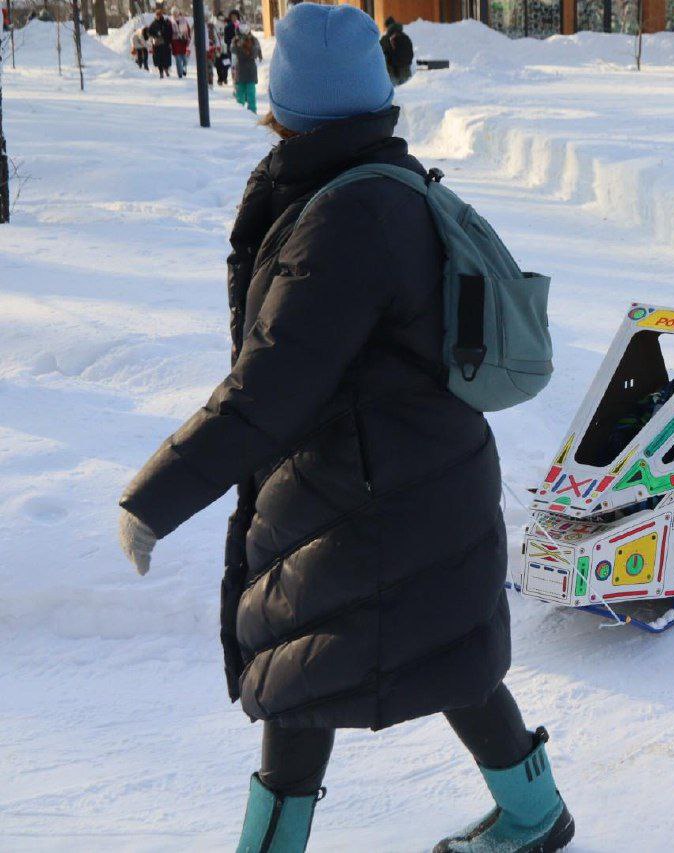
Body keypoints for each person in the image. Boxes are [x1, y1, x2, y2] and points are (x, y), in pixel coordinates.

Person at [115, 4, 575, 852]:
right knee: (442, 652)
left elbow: (268, 388)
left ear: (290, 104)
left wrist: (154, 497)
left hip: (371, 489)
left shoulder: (343, 218)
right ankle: (535, 812)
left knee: (305, 670)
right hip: (410, 476)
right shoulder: (364, 184)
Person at [231, 29, 263, 113]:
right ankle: (240, 111)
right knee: (240, 93)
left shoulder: (254, 40)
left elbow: (255, 53)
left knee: (251, 93)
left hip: (250, 70)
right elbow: (233, 51)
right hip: (240, 69)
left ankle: (252, 111)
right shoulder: (236, 40)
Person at [380, 16, 414, 85]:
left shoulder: (386, 39)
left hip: (393, 74)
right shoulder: (405, 37)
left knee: (396, 94)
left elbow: (379, 53)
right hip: (406, 72)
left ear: (387, 26)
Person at [147, 8, 175, 78]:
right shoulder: (154, 23)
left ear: (161, 15)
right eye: (157, 15)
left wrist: (169, 40)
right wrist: (155, 34)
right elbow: (149, 32)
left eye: (159, 15)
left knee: (166, 58)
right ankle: (161, 72)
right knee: (159, 59)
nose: (158, 16)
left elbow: (170, 32)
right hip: (157, 44)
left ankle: (166, 70)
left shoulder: (166, 22)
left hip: (165, 43)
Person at [171, 14, 192, 79]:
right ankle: (180, 74)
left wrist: (188, 38)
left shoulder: (184, 21)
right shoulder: (171, 22)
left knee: (185, 60)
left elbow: (188, 31)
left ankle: (184, 69)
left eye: (178, 14)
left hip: (183, 42)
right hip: (175, 43)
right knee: (178, 60)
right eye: (174, 14)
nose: (176, 16)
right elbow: (169, 32)